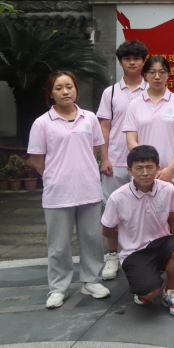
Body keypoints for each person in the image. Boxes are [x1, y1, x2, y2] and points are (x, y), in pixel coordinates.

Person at [28, 71, 111, 309]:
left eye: (69, 86)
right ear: (50, 93)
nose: (65, 91)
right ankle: (58, 288)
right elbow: (37, 159)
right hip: (58, 193)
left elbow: (94, 148)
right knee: (59, 244)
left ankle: (91, 281)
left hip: (88, 189)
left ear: (76, 89)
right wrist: (54, 176)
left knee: (92, 238)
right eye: (59, 88)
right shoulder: (42, 123)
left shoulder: (89, 118)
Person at [101, 145, 174, 316]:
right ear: (130, 170)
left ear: (158, 168)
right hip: (134, 251)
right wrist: (125, 239)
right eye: (139, 168)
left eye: (150, 167)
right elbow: (107, 229)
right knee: (149, 293)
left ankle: (170, 292)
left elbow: (173, 218)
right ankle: (148, 283)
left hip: (162, 243)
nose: (145, 173)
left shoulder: (168, 189)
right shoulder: (117, 197)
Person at [97, 40, 148, 281]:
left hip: (144, 164)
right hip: (116, 161)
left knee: (145, 209)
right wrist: (104, 158)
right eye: (128, 59)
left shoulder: (151, 90)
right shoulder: (111, 93)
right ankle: (112, 255)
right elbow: (104, 127)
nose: (132, 62)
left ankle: (143, 253)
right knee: (112, 210)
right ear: (120, 62)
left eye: (137, 58)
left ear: (143, 61)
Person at [124, 55, 174, 184]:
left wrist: (170, 169)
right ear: (145, 75)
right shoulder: (134, 104)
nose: (157, 77)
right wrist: (150, 168)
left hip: (173, 173)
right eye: (152, 72)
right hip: (144, 174)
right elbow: (131, 141)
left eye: (162, 72)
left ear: (168, 75)